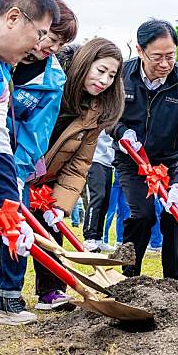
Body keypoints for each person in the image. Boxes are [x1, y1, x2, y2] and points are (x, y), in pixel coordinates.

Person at [0, 0, 76, 327]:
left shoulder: (5, 81)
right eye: (42, 35)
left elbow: (5, 142)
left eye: (53, 40)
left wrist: (11, 205)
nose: (43, 46)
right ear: (14, 19)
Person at [30, 38, 123, 309]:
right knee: (16, 233)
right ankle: (7, 294)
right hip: (21, 167)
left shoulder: (96, 112)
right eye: (100, 70)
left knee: (52, 229)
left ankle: (51, 293)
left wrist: (60, 204)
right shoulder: (52, 84)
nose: (104, 80)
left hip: (51, 178)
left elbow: (79, 163)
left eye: (111, 75)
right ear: (85, 63)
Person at [111, 19, 178, 281]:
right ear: (140, 51)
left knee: (177, 214)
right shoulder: (122, 76)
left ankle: (175, 281)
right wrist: (120, 132)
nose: (164, 64)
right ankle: (130, 278)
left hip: (171, 160)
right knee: (141, 215)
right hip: (133, 159)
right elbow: (108, 115)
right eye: (157, 57)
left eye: (170, 56)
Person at [83, 131, 115, 252]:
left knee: (106, 200)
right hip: (95, 160)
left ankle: (98, 238)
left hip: (108, 163)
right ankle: (89, 237)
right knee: (98, 196)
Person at [103, 170, 129, 247]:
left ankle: (120, 240)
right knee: (110, 211)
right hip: (114, 177)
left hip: (125, 177)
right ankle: (104, 240)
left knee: (124, 211)